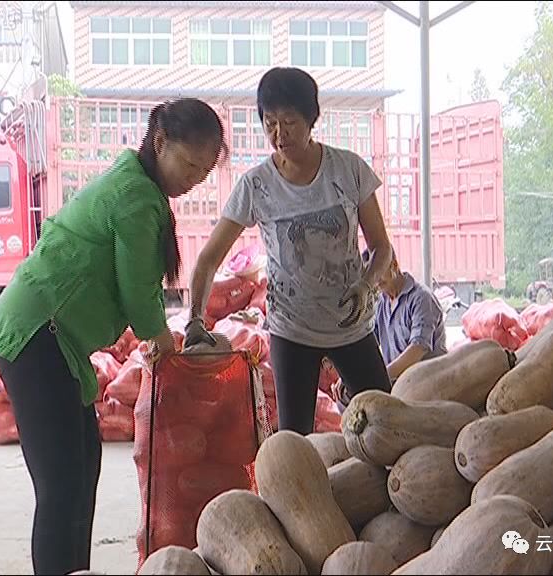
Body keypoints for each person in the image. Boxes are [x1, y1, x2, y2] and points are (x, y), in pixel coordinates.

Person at [0, 98, 227, 576]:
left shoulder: (140, 187)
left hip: (58, 343)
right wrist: (163, 340)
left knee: (83, 470)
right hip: (36, 336)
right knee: (60, 485)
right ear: (159, 143)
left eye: (204, 170)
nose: (195, 177)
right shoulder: (134, 197)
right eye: (189, 163)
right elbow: (138, 291)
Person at [183, 67, 393, 435]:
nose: (279, 135)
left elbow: (381, 248)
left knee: (387, 424)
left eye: (290, 122)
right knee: (294, 441)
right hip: (291, 331)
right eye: (270, 123)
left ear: (312, 119)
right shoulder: (256, 185)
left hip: (350, 326)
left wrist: (367, 285)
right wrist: (195, 321)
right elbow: (208, 259)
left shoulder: (348, 169)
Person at [332, 247, 447, 404]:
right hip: (396, 381)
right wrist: (348, 376)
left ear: (394, 265)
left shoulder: (421, 298)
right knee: (345, 394)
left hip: (426, 381)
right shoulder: (381, 303)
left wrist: (382, 376)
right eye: (371, 276)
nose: (376, 280)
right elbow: (368, 344)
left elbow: (418, 348)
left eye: (379, 273)